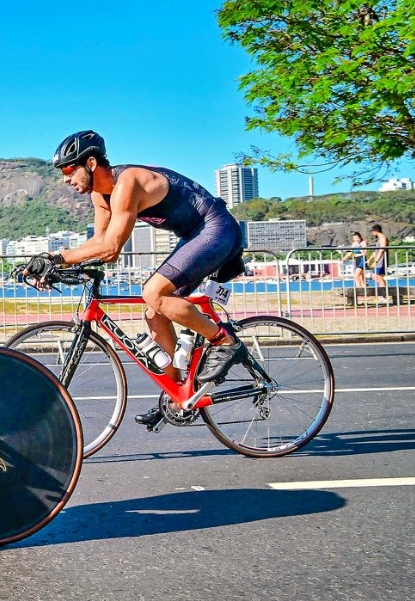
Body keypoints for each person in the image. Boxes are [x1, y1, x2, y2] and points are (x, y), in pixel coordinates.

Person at [19, 130, 248, 427]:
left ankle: (224, 342)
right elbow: (102, 244)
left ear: (89, 163)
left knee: (153, 292)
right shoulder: (100, 195)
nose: (65, 178)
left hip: (216, 228)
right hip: (194, 235)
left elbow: (112, 246)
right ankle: (178, 396)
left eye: (67, 169)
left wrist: (57, 258)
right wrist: (56, 262)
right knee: (155, 313)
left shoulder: (127, 183)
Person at [369, 224, 388, 288]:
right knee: (377, 277)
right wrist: (370, 259)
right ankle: (383, 293)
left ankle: (383, 294)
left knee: (378, 276)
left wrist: (376, 261)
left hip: (381, 261)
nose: (372, 233)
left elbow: (381, 250)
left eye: (372, 231)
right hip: (378, 260)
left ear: (376, 231)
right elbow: (376, 251)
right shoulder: (379, 239)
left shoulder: (383, 238)